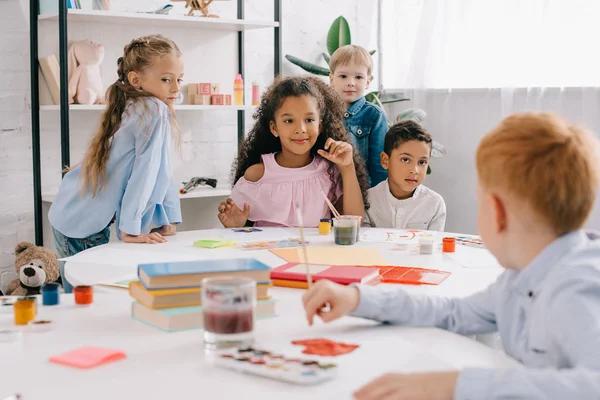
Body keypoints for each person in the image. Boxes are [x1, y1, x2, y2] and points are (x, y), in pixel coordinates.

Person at [302, 112, 600, 399]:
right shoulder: (519, 278)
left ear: (495, 212)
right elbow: (452, 313)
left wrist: (457, 385)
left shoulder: (576, 287)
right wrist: (358, 299)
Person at [49, 34, 184, 292]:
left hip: (76, 213)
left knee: (90, 299)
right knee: (86, 300)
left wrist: (169, 217)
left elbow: (161, 169)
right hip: (80, 222)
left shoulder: (144, 106)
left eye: (179, 79)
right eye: (166, 79)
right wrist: (131, 230)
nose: (176, 88)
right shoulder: (152, 110)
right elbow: (144, 174)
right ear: (136, 80)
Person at [217, 76, 370, 228]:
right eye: (289, 121)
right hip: (268, 252)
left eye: (309, 120)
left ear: (320, 126)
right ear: (274, 128)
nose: (300, 129)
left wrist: (347, 167)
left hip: (314, 251)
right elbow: (241, 227)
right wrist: (236, 225)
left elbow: (354, 220)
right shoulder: (257, 175)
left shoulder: (328, 172)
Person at [365, 120, 446, 231]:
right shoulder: (368, 201)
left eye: (422, 162)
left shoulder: (435, 204)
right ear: (385, 161)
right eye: (405, 159)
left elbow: (433, 247)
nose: (415, 170)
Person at [329, 44, 389, 187]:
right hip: (327, 189)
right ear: (331, 80)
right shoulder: (321, 111)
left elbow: (378, 165)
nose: (351, 83)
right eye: (343, 76)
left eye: (358, 77)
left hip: (360, 190)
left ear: (367, 82)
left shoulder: (375, 115)